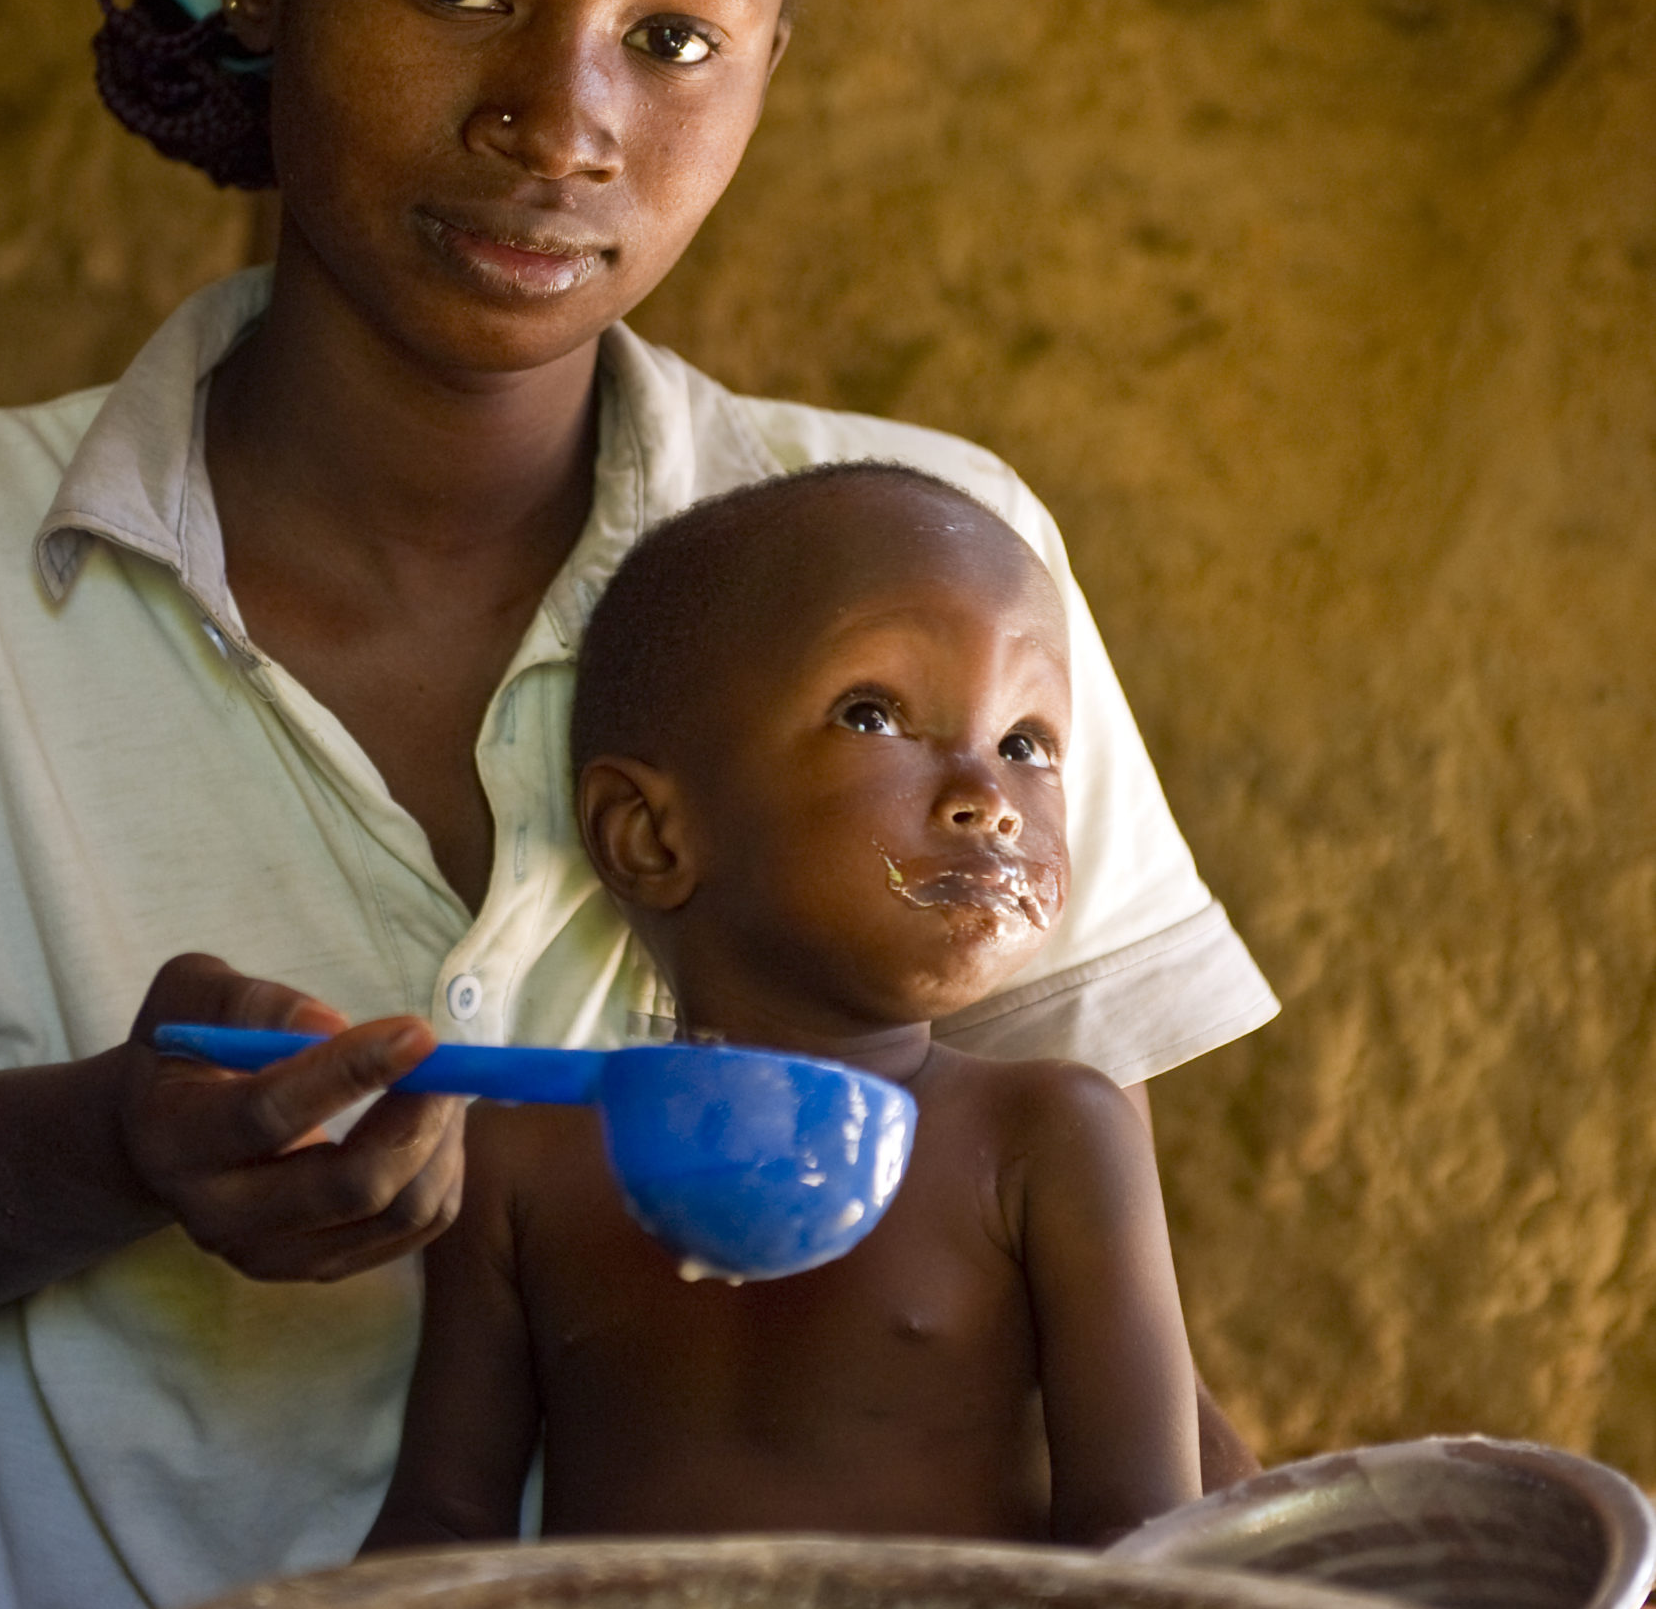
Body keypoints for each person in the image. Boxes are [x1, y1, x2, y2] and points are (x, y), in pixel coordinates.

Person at [0, 0, 1272, 1609]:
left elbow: (1089, 1267)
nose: (561, 115)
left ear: (770, 62)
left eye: (670, 36)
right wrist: (105, 1144)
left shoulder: (932, 567)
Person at [365, 465, 1202, 1554]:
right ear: (649, 836)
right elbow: (441, 1529)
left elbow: (1144, 1547)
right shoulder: (524, 1159)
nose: (987, 800)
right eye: (874, 715)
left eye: (1025, 744)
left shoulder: (1049, 1140)